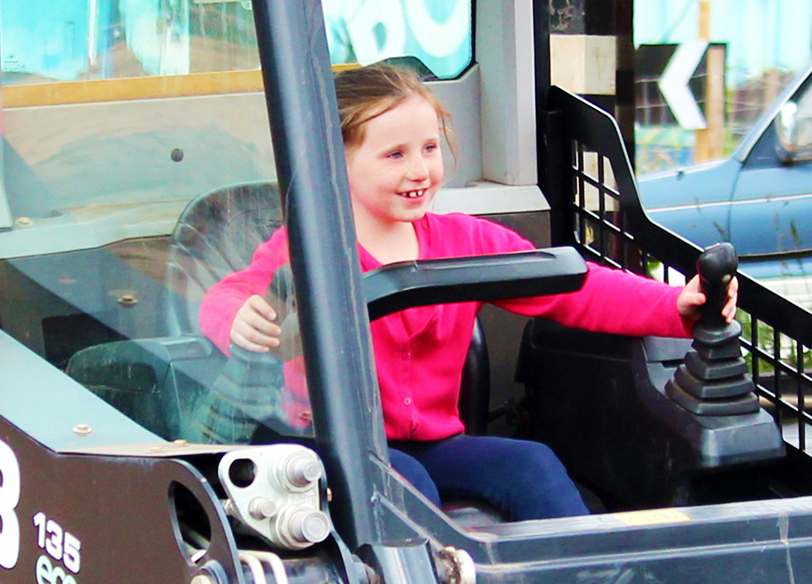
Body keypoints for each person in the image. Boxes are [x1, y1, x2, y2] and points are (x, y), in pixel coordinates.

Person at [198, 62, 735, 522]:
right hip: (329, 446)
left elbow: (574, 289)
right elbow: (228, 297)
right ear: (334, 162)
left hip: (435, 445)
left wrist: (675, 307)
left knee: (533, 465)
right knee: (402, 483)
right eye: (395, 155)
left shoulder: (465, 241)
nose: (420, 170)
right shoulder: (306, 245)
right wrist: (239, 317)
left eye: (429, 148)